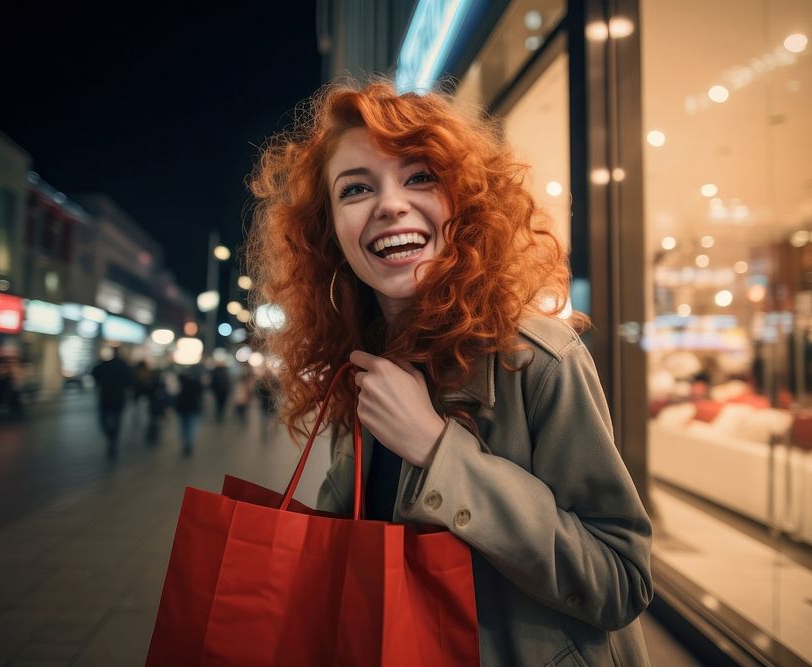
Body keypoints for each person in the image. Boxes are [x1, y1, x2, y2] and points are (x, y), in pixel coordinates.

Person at [245, 81, 653, 665]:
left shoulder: (537, 358)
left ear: (463, 203)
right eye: (356, 189)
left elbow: (622, 582)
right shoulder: (361, 363)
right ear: (329, 227)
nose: (389, 205)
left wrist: (440, 452)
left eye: (419, 177)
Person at [90, 346, 134, 460]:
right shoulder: (124, 366)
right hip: (119, 398)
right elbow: (130, 381)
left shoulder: (105, 365)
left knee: (104, 419)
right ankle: (113, 438)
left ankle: (110, 436)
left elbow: (94, 372)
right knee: (116, 420)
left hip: (106, 397)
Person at [175, 365, 204, 457]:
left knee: (184, 426)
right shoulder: (197, 381)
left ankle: (186, 442)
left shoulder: (180, 380)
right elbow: (200, 393)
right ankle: (188, 443)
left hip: (182, 407)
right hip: (192, 406)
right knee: (190, 426)